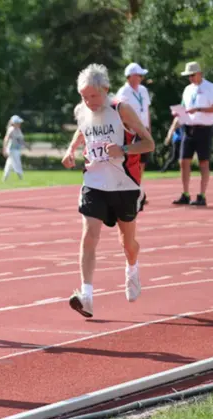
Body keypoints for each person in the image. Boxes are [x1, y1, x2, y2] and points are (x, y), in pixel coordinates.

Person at [61, 64, 154, 318]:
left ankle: (132, 268)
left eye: (94, 95)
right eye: (84, 96)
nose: (89, 101)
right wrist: (71, 151)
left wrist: (122, 150)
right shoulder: (81, 110)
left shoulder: (121, 109)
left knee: (128, 243)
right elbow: (83, 130)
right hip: (94, 182)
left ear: (106, 90)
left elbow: (149, 143)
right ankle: (87, 296)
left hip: (124, 185)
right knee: (89, 235)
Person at [172, 62, 213, 206]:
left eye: (192, 75)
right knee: (183, 161)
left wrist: (198, 109)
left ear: (200, 73)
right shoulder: (187, 89)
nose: (190, 78)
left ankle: (202, 195)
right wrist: (177, 113)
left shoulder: (209, 87)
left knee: (203, 162)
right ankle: (185, 193)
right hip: (189, 127)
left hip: (204, 129)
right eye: (188, 76)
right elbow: (183, 107)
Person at [116, 63, 152, 178]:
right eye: (139, 75)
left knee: (142, 161)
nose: (141, 78)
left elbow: (146, 110)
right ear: (131, 76)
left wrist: (148, 130)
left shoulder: (143, 90)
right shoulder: (123, 91)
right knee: (131, 161)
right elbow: (119, 113)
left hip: (143, 130)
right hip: (131, 131)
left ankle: (138, 187)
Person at [2, 115, 26, 181]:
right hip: (12, 149)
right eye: (18, 123)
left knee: (9, 163)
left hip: (17, 149)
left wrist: (26, 145)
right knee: (17, 162)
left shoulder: (18, 130)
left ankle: (5, 177)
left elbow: (21, 140)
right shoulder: (11, 129)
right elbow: (6, 138)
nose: (19, 124)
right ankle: (20, 176)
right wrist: (4, 149)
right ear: (14, 123)